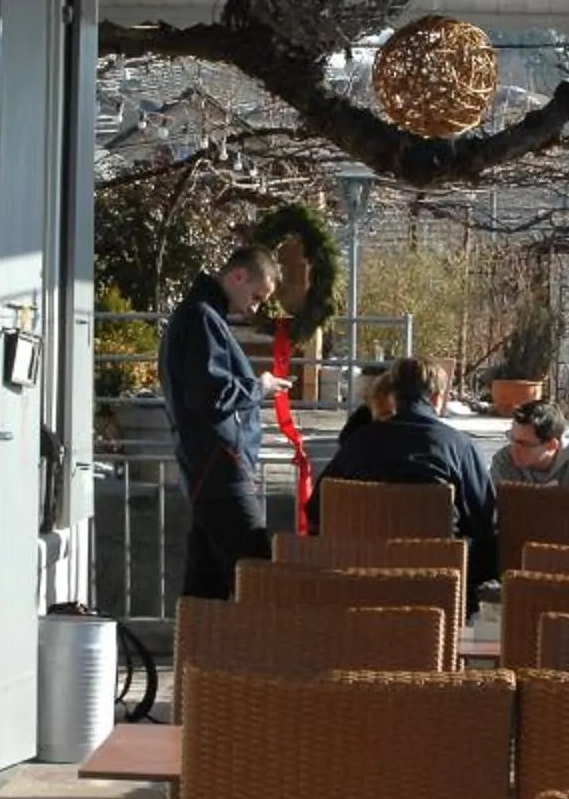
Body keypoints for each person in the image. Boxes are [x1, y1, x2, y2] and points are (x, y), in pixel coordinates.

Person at [159, 243, 283, 601]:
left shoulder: (200, 316)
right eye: (256, 297)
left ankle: (197, 636)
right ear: (238, 276)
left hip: (209, 465)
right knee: (259, 579)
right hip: (221, 466)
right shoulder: (202, 318)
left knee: (206, 584)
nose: (254, 308)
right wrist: (259, 387)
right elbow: (208, 394)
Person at [312, 357, 498, 592]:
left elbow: (317, 509)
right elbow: (483, 518)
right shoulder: (458, 447)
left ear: (393, 395)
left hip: (359, 580)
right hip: (435, 584)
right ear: (436, 397)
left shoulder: (359, 442)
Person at [488, 398, 569, 491]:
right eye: (511, 438)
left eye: (523, 444)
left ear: (551, 446)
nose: (514, 448)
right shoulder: (503, 460)